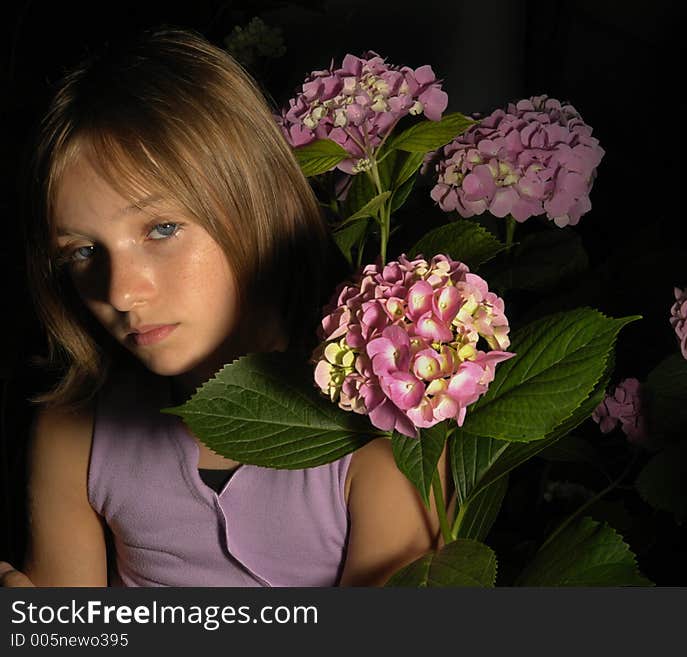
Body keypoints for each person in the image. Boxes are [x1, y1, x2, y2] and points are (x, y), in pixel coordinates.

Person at [0, 27, 449, 587]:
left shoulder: (380, 435)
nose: (119, 293)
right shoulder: (75, 433)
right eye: (84, 251)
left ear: (257, 201)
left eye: (161, 228)